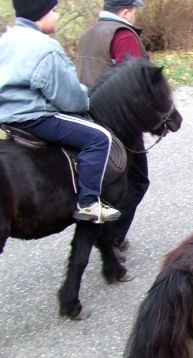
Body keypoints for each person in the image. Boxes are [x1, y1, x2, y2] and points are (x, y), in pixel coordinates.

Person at [0, 0, 120, 223]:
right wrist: (85, 96)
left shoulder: (6, 39)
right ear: (41, 12)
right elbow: (69, 98)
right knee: (99, 137)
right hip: (35, 117)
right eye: (54, 11)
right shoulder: (45, 47)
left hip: (7, 118)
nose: (56, 16)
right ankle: (89, 204)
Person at [76, 0, 147, 258]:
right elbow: (134, 81)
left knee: (106, 182)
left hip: (87, 118)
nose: (135, 16)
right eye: (135, 11)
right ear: (125, 11)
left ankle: (105, 233)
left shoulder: (88, 34)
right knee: (138, 180)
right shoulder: (123, 34)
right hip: (119, 122)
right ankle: (111, 239)